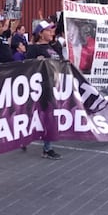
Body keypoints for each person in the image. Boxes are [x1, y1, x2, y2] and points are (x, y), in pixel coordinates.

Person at [23, 20, 64, 159]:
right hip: (40, 88)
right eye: (48, 30)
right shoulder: (34, 48)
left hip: (53, 85)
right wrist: (37, 63)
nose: (51, 32)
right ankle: (42, 146)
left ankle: (46, 147)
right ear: (41, 34)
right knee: (37, 114)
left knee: (48, 115)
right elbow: (26, 67)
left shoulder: (54, 46)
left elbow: (61, 62)